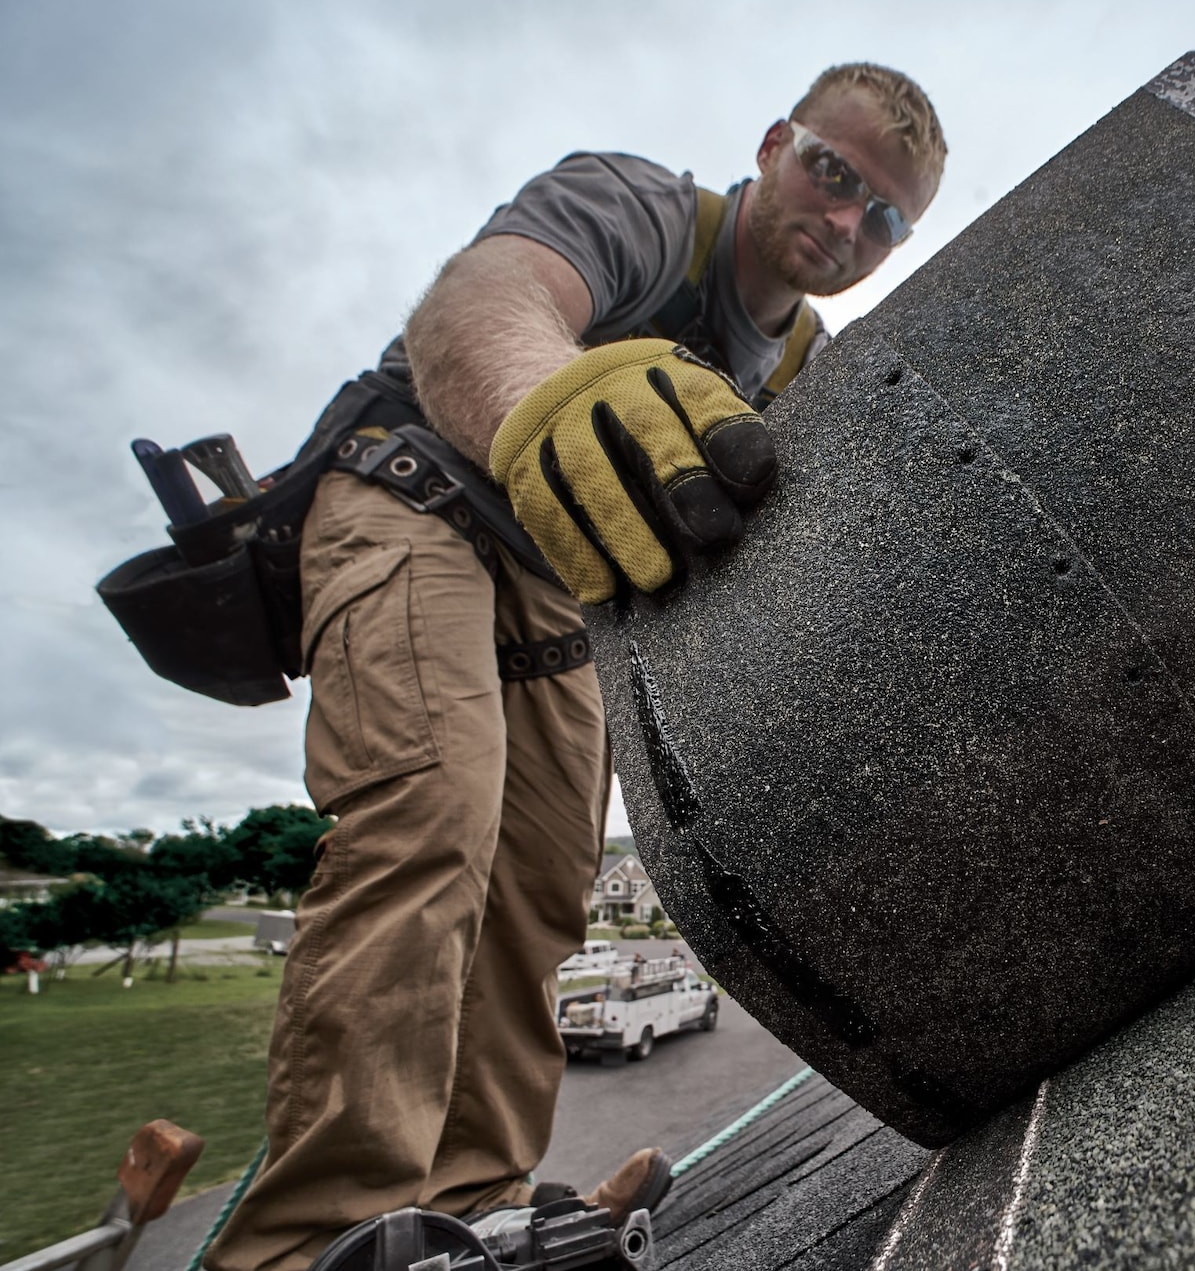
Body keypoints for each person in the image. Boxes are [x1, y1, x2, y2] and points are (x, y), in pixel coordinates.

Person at [205, 62, 945, 1271]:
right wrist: (549, 394)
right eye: (834, 172)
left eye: (888, 216)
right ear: (774, 144)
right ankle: (312, 1241)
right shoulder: (644, 209)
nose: (850, 221)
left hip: (560, 595)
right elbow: (476, 308)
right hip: (412, 498)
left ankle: (473, 1205)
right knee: (431, 820)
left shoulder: (811, 363)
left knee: (543, 884)